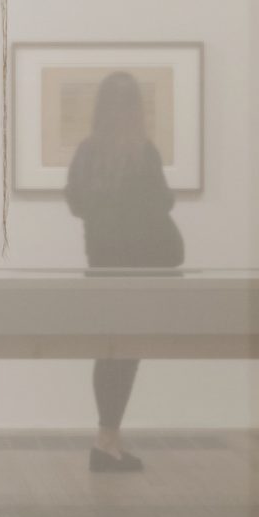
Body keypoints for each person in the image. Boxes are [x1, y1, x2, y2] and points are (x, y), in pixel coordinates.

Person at [65, 71, 184, 472]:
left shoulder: (88, 152)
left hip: (103, 268)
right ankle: (107, 440)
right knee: (125, 354)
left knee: (110, 351)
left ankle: (107, 439)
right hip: (139, 271)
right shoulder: (142, 152)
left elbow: (76, 204)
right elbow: (162, 203)